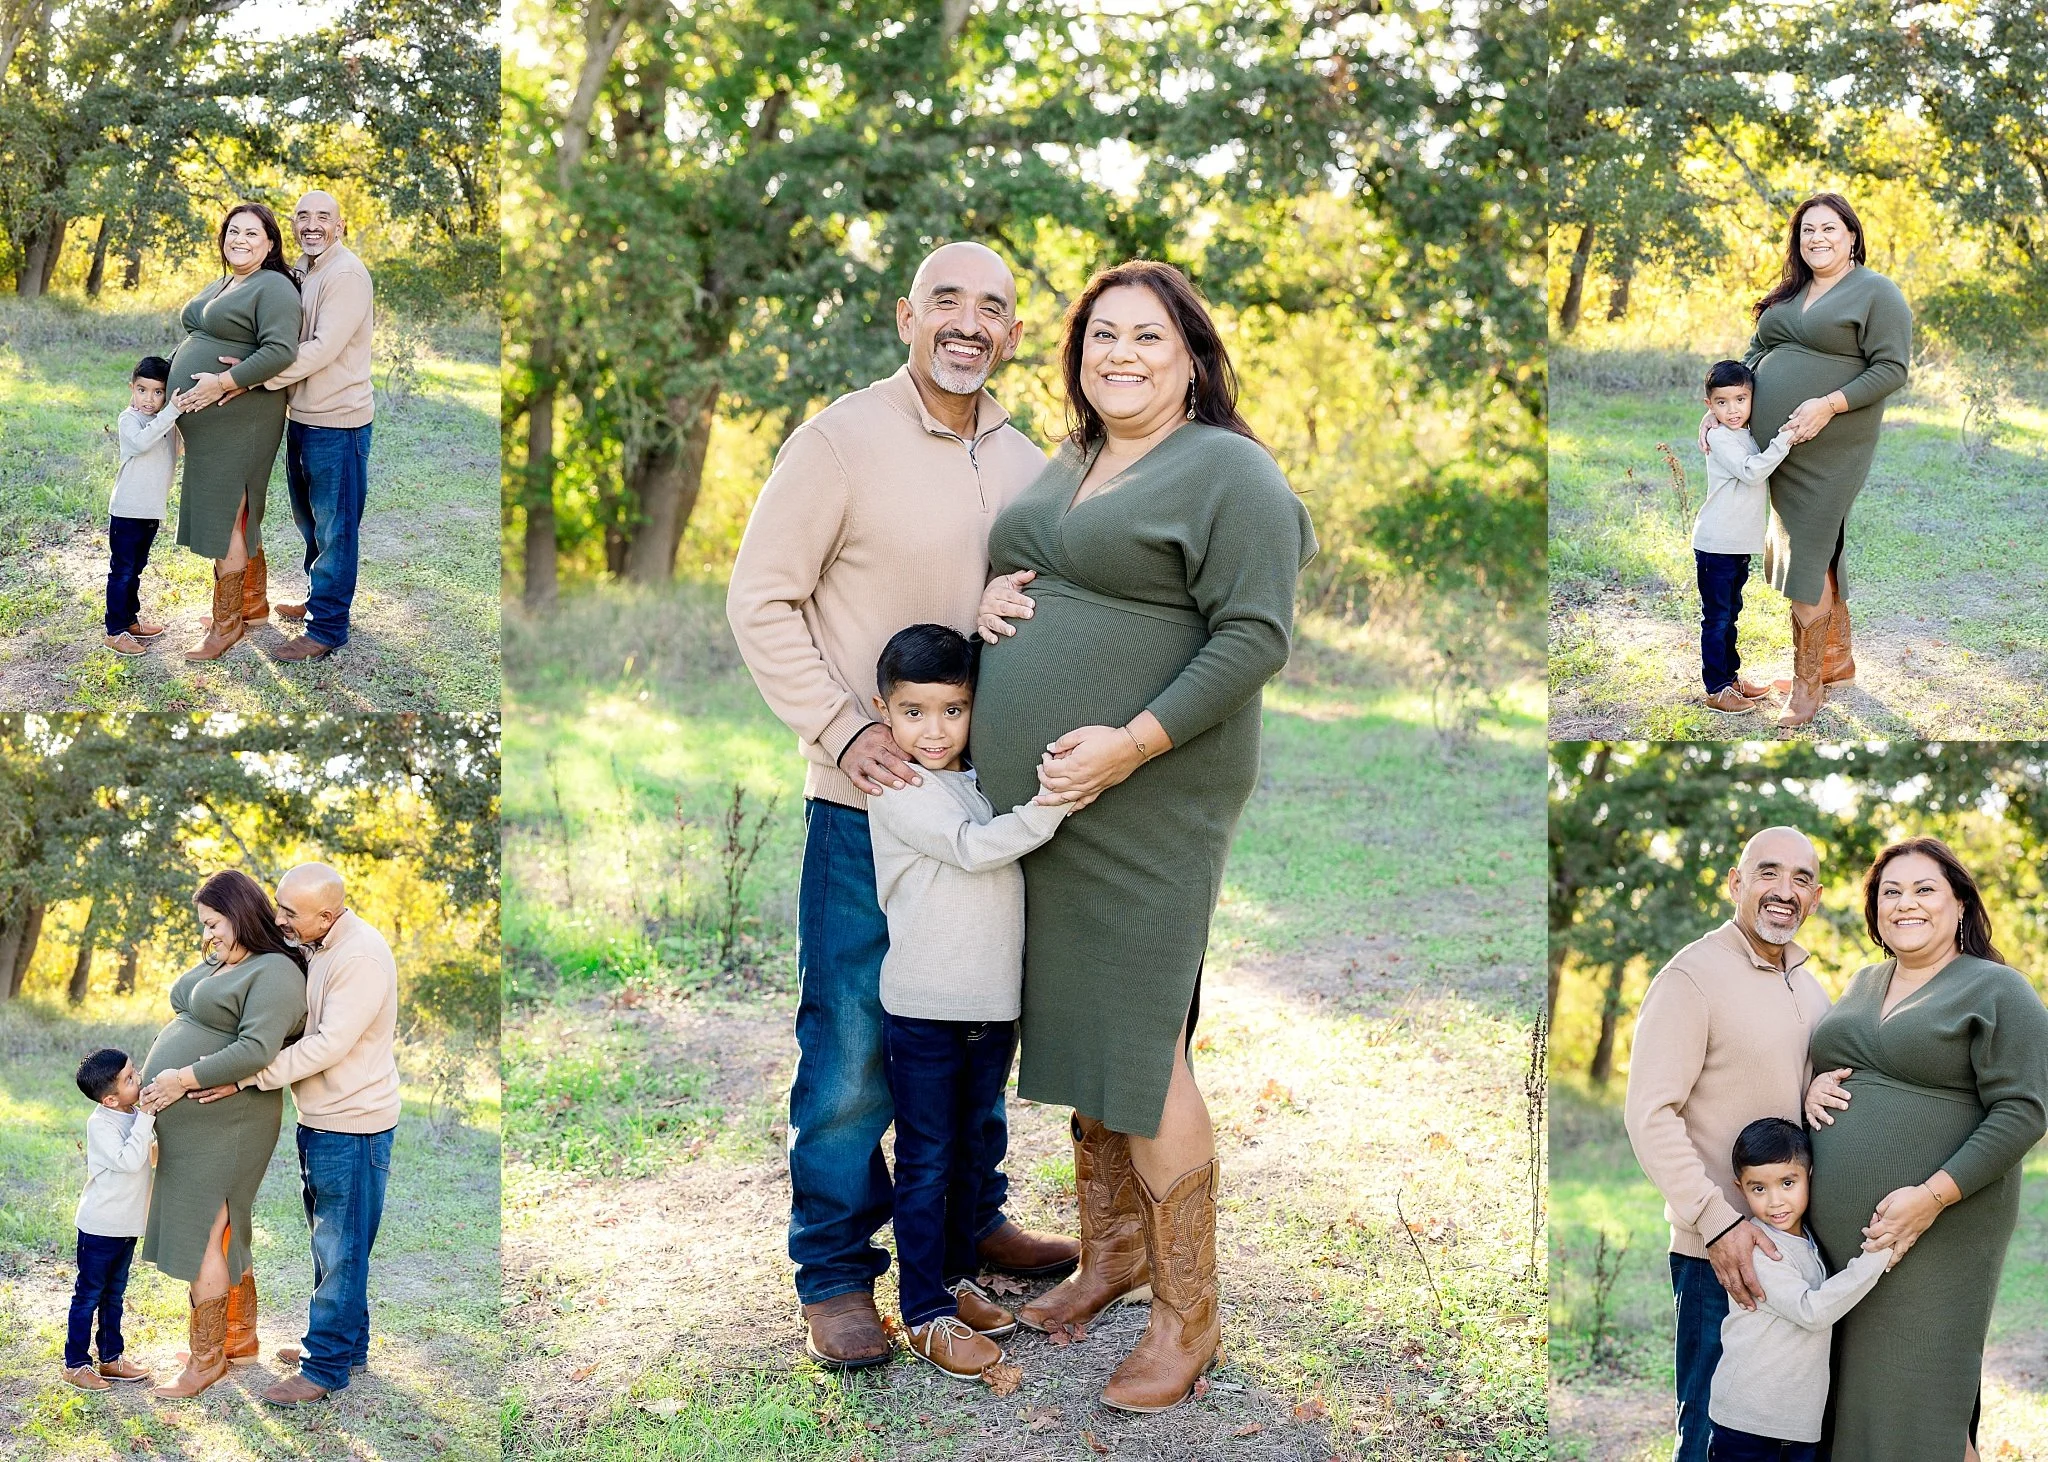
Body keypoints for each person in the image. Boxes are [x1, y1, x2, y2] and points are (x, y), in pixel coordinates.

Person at [968, 259, 1316, 1412]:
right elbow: (1024, 572)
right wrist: (987, 609)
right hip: (1047, 806)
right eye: (1099, 335)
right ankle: (1111, 1257)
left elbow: (1254, 636)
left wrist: (1127, 743)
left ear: (1192, 359)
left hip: (1154, 792)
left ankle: (1187, 1318)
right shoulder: (1070, 457)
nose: (1118, 354)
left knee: (1142, 1038)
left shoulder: (1228, 471)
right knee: (1079, 1015)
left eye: (1147, 339)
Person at [726, 241, 1077, 1370]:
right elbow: (759, 598)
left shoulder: (1031, 463)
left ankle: (967, 1217)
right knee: (851, 1050)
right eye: (946, 303)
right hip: (861, 803)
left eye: (993, 308)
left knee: (974, 1020)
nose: (968, 324)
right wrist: (843, 727)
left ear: (1014, 333)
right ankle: (834, 1272)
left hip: (982, 804)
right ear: (906, 316)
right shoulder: (839, 441)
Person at [864, 624, 1071, 1378]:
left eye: (953, 710)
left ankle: (952, 1280)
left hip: (989, 1005)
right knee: (925, 1163)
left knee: (974, 1151)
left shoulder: (978, 778)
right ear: (883, 710)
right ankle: (923, 1313)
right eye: (913, 711)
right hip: (924, 1008)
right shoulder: (897, 786)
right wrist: (1052, 804)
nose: (933, 730)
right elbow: (972, 847)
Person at [1798, 838, 2048, 1461]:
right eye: (1890, 892)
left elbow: (2024, 1110)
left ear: (1960, 904)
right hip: (1835, 1243)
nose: (1904, 904)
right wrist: (1812, 1087)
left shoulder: (1998, 990)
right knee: (1849, 1400)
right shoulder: (1861, 983)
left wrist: (1930, 1200)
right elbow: (1841, 1063)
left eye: (1924, 889)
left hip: (1939, 1229)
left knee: (1918, 1391)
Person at [1621, 827, 1831, 1462]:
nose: (1783, 891)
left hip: (1797, 1261)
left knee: (1788, 1438)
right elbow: (1650, 1113)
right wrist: (1718, 1226)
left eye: (1800, 880)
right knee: (1718, 1443)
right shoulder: (1692, 977)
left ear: (1815, 898)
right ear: (1736, 884)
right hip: (1723, 1262)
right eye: (1768, 873)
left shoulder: (1810, 986)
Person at [188, 862, 400, 1405]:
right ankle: (346, 1345)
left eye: (289, 912)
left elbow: (328, 1045)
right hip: (322, 1119)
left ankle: (324, 1367)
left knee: (341, 1247)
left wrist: (249, 1073)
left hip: (353, 1125)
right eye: (278, 905)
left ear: (327, 914)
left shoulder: (360, 957)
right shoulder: (317, 942)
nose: (278, 918)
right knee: (336, 1245)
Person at [134, 870, 308, 1400]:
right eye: (204, 924)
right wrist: (217, 948)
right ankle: (236, 1339)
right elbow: (195, 1003)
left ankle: (206, 1362)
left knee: (208, 1228)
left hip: (230, 1121)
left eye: (214, 922)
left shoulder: (276, 972)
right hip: (195, 1122)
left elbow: (257, 1049)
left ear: (240, 914)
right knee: (223, 1226)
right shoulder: (227, 959)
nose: (207, 932)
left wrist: (178, 1079)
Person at [1740, 192, 1911, 726]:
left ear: (1852, 235)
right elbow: (1751, 355)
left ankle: (1807, 687)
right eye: (1807, 230)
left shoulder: (1876, 292)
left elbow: (1891, 369)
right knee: (1817, 546)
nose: (1817, 238)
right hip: (1775, 448)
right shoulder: (1791, 293)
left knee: (1807, 553)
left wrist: (1826, 405)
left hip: (1832, 441)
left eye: (1829, 229)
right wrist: (1720, 408)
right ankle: (1835, 661)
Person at [1705, 1119, 1889, 1462]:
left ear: (1810, 1177)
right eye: (1758, 1188)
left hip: (1797, 1425)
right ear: (1740, 1187)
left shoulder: (1809, 1243)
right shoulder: (1758, 1250)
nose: (1775, 1201)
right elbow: (1812, 1311)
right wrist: (1876, 1256)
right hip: (1748, 1423)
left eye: (1788, 1183)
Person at [166, 202, 302, 661]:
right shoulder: (226, 281)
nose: (239, 240)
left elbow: (281, 350)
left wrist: (225, 380)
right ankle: (251, 605)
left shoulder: (274, 286)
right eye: (233, 231)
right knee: (237, 512)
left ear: (270, 244)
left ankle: (226, 628)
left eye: (251, 233)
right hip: (210, 422)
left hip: (242, 416)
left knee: (227, 513)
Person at [1691, 360, 1793, 715]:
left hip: (1736, 544)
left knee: (1730, 614)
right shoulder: (1719, 437)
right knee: (1717, 618)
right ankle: (1716, 689)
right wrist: (1786, 440)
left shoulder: (1745, 432)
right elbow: (1752, 472)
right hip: (1716, 543)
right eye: (1721, 403)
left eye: (1740, 399)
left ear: (1752, 400)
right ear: (1709, 406)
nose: (1731, 409)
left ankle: (1730, 679)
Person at [61, 1049, 157, 1391]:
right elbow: (129, 1161)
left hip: (127, 1225)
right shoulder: (101, 1123)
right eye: (130, 1079)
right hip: (100, 1228)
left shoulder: (132, 1113)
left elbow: (149, 1155)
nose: (139, 1079)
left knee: (114, 1295)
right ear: (111, 1100)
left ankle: (111, 1358)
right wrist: (147, 1116)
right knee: (88, 1296)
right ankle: (75, 1363)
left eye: (135, 1071)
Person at [103, 356, 183, 657]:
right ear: (131, 389)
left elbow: (176, 448)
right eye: (142, 390)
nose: (149, 399)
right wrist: (172, 411)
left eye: (158, 392)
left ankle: (130, 621)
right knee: (121, 571)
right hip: (127, 511)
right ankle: (114, 631)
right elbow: (140, 443)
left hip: (150, 511)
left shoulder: (165, 421)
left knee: (135, 569)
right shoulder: (130, 419)